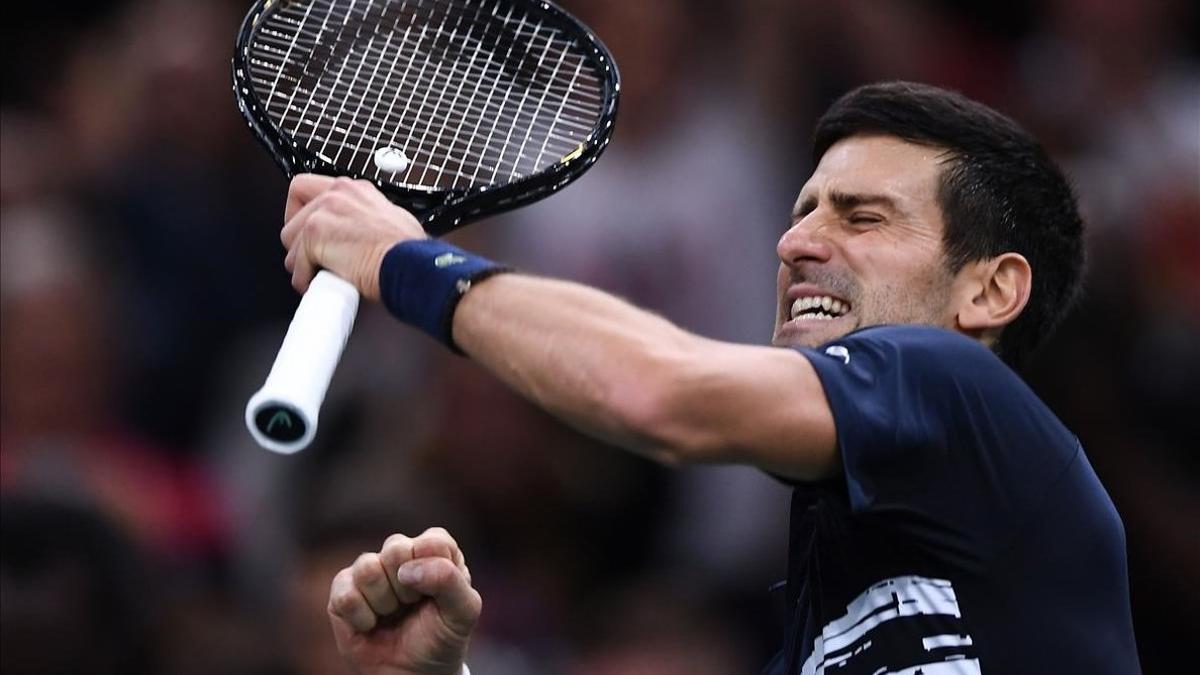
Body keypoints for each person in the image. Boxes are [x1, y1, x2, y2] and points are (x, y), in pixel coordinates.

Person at [309, 81, 1140, 674]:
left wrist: (404, 260)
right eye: (801, 211)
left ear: (989, 291)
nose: (796, 244)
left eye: (862, 216)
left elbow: (658, 391)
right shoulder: (818, 623)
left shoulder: (953, 381)